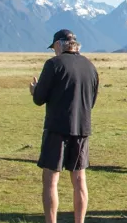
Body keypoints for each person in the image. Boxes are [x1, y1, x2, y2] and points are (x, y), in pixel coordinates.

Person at [32, 29, 101, 223]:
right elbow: (91, 101)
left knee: (50, 181)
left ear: (58, 45)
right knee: (79, 180)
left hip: (56, 128)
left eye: (53, 47)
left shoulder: (53, 64)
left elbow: (39, 99)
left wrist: (34, 90)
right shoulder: (90, 66)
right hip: (82, 129)